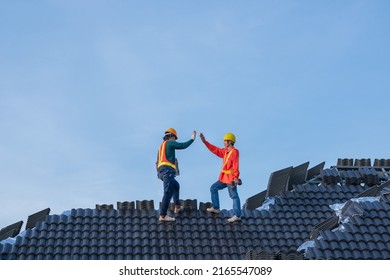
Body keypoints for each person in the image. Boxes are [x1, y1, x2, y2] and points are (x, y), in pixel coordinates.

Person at [199, 132, 242, 222]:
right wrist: (205, 142)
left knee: (234, 196)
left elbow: (236, 166)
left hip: (231, 179)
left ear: (230, 142)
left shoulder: (234, 152)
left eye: (225, 141)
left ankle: (237, 215)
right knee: (213, 188)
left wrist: (235, 178)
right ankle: (216, 207)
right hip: (224, 178)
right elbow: (215, 149)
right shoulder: (225, 152)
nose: (224, 142)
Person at [156, 128, 196, 222]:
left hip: (162, 172)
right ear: (170, 136)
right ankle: (163, 215)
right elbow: (182, 145)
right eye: (174, 138)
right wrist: (192, 139)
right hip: (167, 171)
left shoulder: (161, 146)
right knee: (168, 192)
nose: (175, 140)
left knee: (176, 185)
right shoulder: (169, 142)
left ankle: (177, 206)